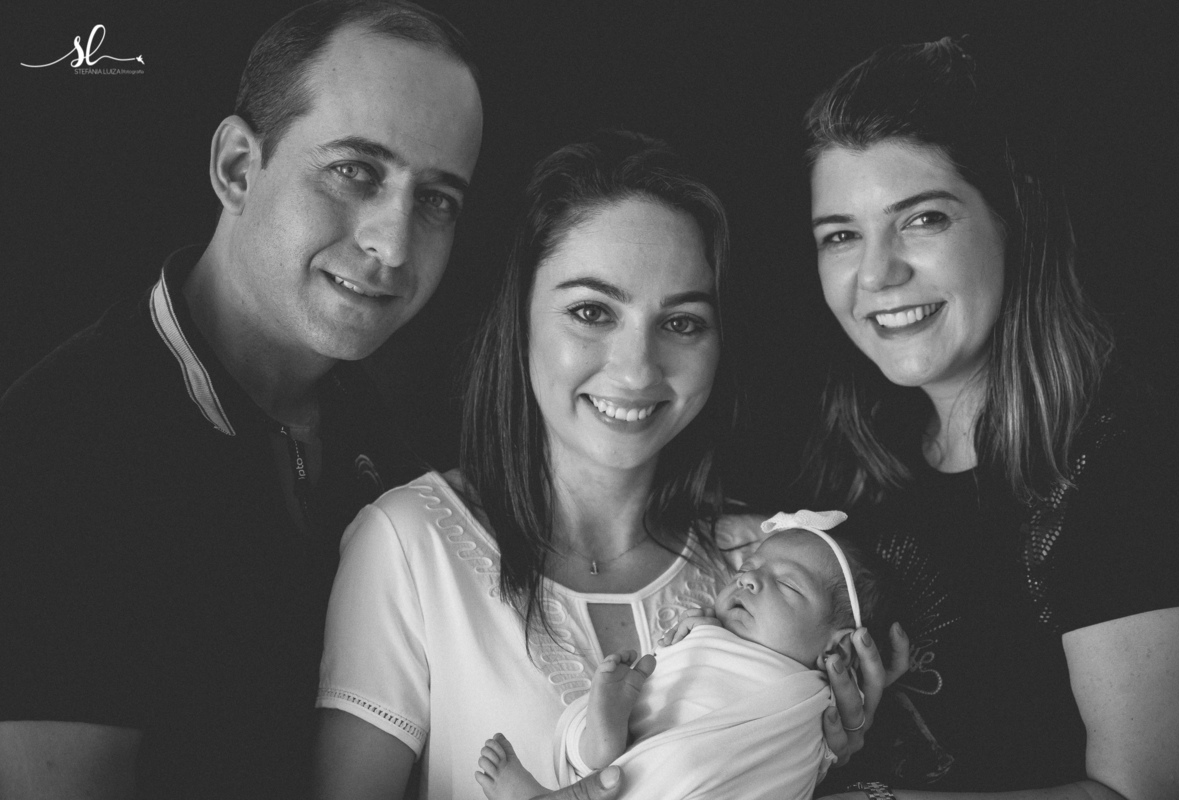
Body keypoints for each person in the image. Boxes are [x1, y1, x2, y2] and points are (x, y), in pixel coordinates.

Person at [313, 130, 898, 799]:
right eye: (592, 312)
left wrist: (810, 760)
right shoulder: (410, 544)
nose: (637, 368)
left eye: (682, 323)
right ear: (520, 319)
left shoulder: (771, 560)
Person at [0, 2, 483, 798]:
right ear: (236, 168)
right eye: (355, 171)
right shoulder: (61, 446)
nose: (393, 244)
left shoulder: (400, 457)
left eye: (437, 199)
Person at [798, 38, 1179, 799]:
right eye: (841, 235)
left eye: (923, 219)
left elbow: (1149, 793)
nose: (877, 272)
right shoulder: (850, 468)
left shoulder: (1123, 467)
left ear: (1012, 219)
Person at [476, 508, 896, 800]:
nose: (749, 581)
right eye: (746, 569)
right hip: (656, 762)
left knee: (692, 766)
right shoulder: (703, 637)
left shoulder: (820, 701)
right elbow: (668, 689)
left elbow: (798, 767)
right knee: (667, 750)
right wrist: (696, 641)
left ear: (838, 646)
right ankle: (601, 740)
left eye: (788, 585)